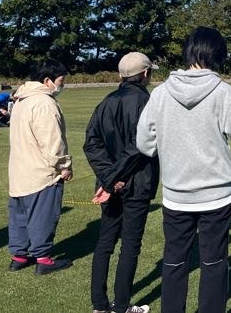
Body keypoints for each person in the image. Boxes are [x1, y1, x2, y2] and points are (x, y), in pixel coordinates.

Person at [136, 26, 231, 313]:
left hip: (176, 195)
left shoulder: (160, 94)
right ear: (218, 55)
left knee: (174, 262)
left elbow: (144, 143)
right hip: (215, 196)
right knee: (214, 263)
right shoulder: (223, 92)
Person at [84, 52, 160, 313]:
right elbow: (140, 146)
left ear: (121, 75)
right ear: (145, 74)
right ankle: (119, 307)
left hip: (111, 183)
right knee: (128, 245)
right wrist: (115, 177)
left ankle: (100, 305)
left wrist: (109, 177)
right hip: (135, 181)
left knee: (106, 242)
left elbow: (92, 143)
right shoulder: (147, 102)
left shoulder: (106, 101)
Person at [7, 59, 73, 275]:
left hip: (19, 169)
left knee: (19, 215)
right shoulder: (44, 102)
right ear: (47, 81)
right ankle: (43, 259)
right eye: (60, 81)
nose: (62, 85)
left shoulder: (20, 99)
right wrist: (63, 165)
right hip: (40, 171)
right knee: (43, 214)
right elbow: (51, 140)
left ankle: (19, 256)